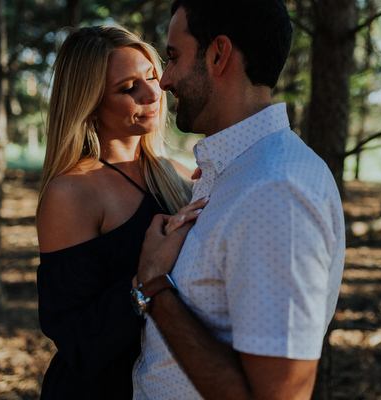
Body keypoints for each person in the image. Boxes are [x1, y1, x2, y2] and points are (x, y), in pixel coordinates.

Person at [130, 1, 346, 399]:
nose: (164, 81)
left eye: (174, 58)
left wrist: (154, 286)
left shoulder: (275, 191)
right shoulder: (242, 174)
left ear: (218, 54)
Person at [35, 25, 206, 400]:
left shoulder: (179, 174)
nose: (153, 93)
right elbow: (77, 339)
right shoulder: (71, 193)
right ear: (89, 103)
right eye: (129, 88)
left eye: (152, 76)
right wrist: (145, 280)